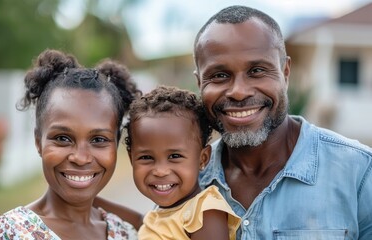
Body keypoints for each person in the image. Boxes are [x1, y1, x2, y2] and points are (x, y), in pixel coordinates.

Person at [193, 5, 372, 240]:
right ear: (199, 83)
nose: (238, 92)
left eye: (257, 70)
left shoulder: (358, 172)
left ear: (285, 72)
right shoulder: (186, 179)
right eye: (219, 75)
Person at [0, 49, 140, 240]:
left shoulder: (127, 233)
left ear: (116, 144)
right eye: (63, 138)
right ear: (38, 141)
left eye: (98, 140)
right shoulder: (10, 233)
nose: (81, 158)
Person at [124, 85, 241, 239]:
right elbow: (139, 221)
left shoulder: (205, 211)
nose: (160, 171)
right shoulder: (165, 212)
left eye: (174, 156)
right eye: (146, 158)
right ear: (131, 158)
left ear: (203, 159)